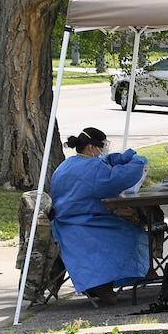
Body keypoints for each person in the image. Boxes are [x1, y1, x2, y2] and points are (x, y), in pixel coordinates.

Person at [49, 127, 150, 307]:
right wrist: (137, 163)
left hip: (63, 225)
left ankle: (102, 283)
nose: (103, 151)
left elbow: (105, 165)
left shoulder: (65, 165)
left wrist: (116, 159)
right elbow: (116, 180)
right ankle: (104, 284)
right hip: (86, 224)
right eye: (102, 147)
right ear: (91, 147)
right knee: (134, 234)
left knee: (125, 230)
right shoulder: (93, 167)